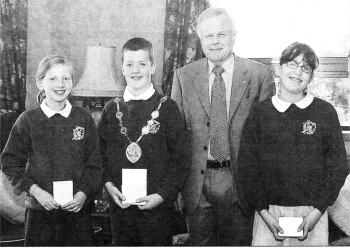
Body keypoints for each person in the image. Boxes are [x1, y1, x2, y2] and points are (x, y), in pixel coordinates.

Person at [171, 7, 275, 246]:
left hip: (240, 184)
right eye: (209, 36)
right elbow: (176, 140)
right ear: (200, 39)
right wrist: (176, 187)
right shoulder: (183, 76)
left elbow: (267, 142)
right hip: (196, 184)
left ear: (234, 36)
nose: (215, 41)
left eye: (222, 34)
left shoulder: (260, 75)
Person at [238, 42, 348, 246]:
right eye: (293, 64)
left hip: (313, 214)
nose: (298, 72)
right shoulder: (259, 114)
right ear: (278, 69)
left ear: (311, 77)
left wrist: (317, 211)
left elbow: (337, 167)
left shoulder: (324, 113)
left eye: (306, 68)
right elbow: (247, 167)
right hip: (268, 215)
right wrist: (263, 211)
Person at [1, 55, 103, 246]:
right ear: (40, 83)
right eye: (53, 78)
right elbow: (10, 163)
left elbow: (95, 164)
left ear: (72, 83)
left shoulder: (84, 118)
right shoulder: (27, 120)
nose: (60, 84)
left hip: (78, 215)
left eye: (66, 78)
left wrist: (83, 193)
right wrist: (36, 191)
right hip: (40, 216)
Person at [99, 37, 189, 246]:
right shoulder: (111, 110)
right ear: (122, 68)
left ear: (153, 66)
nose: (135, 70)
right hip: (120, 208)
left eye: (142, 64)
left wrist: (161, 196)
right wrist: (108, 185)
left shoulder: (168, 108)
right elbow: (99, 155)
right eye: (129, 64)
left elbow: (181, 161)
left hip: (158, 208)